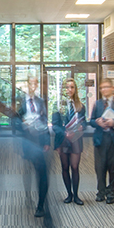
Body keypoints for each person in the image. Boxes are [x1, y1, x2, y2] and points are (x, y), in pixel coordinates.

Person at [17, 74, 50, 218]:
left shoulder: (40, 101)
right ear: (26, 85)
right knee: (27, 170)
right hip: (26, 140)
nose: (33, 86)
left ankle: (40, 205)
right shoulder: (20, 101)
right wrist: (23, 124)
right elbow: (14, 121)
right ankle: (27, 196)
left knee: (41, 172)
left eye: (35, 83)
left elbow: (45, 119)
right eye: (30, 83)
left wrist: (47, 141)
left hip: (39, 140)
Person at [91, 78, 114, 204]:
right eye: (101, 88)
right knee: (100, 168)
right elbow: (91, 120)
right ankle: (101, 191)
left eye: (106, 87)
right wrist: (97, 122)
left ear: (112, 88)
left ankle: (112, 193)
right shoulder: (97, 104)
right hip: (100, 139)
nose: (103, 90)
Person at [52, 77, 86, 205]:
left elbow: (85, 123)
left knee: (75, 167)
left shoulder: (80, 106)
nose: (69, 89)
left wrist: (82, 127)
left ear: (75, 89)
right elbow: (54, 125)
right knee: (65, 167)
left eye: (72, 87)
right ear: (63, 89)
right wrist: (64, 132)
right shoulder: (58, 105)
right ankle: (69, 194)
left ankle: (76, 195)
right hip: (63, 139)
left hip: (76, 139)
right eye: (67, 87)